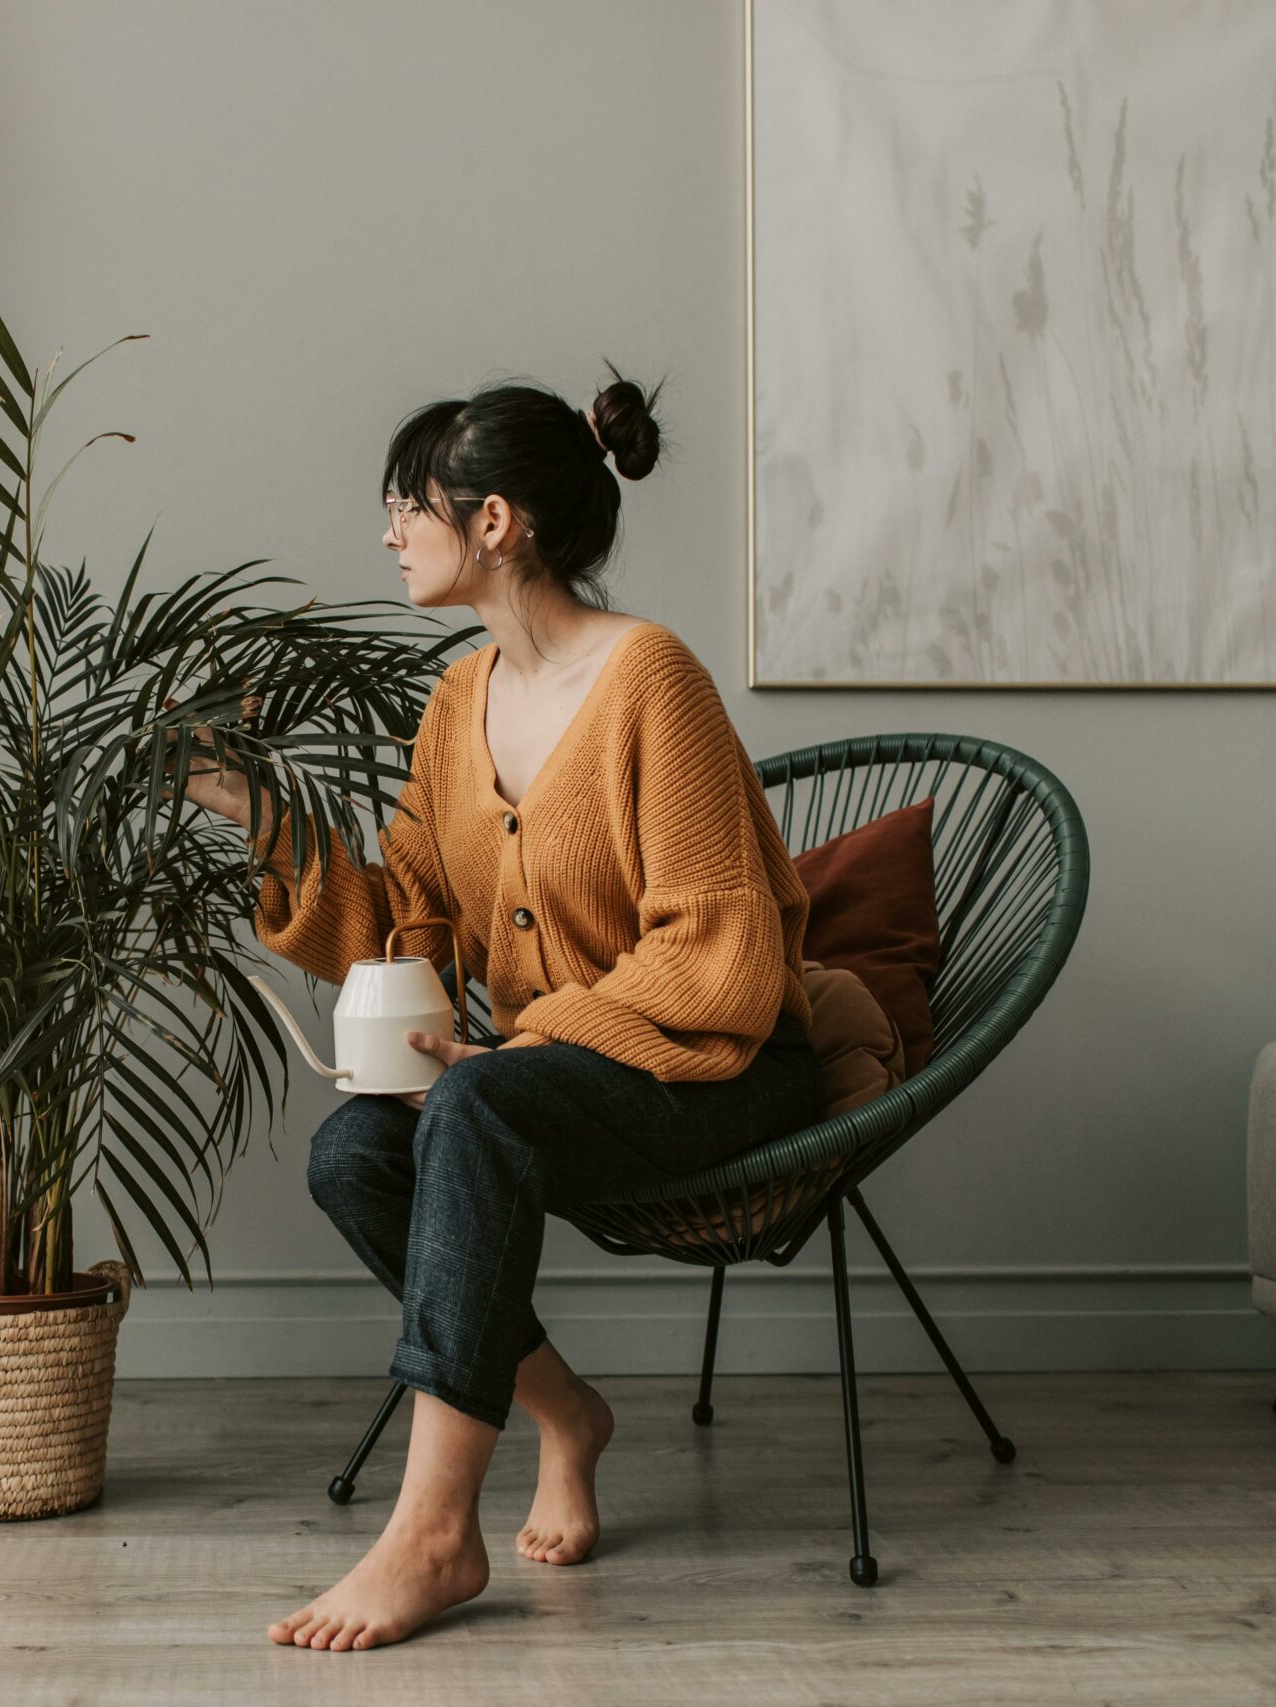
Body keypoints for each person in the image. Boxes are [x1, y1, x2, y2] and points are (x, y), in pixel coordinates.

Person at [178, 369, 829, 1652]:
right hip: (551, 1080)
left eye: (404, 503)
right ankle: (562, 1412)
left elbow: (721, 951)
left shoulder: (653, 678)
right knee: (354, 1151)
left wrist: (521, 1043)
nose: (385, 533)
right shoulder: (454, 704)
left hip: (724, 1065)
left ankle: (432, 1534)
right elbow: (406, 923)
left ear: (493, 523)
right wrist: (249, 805)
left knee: (473, 1101)